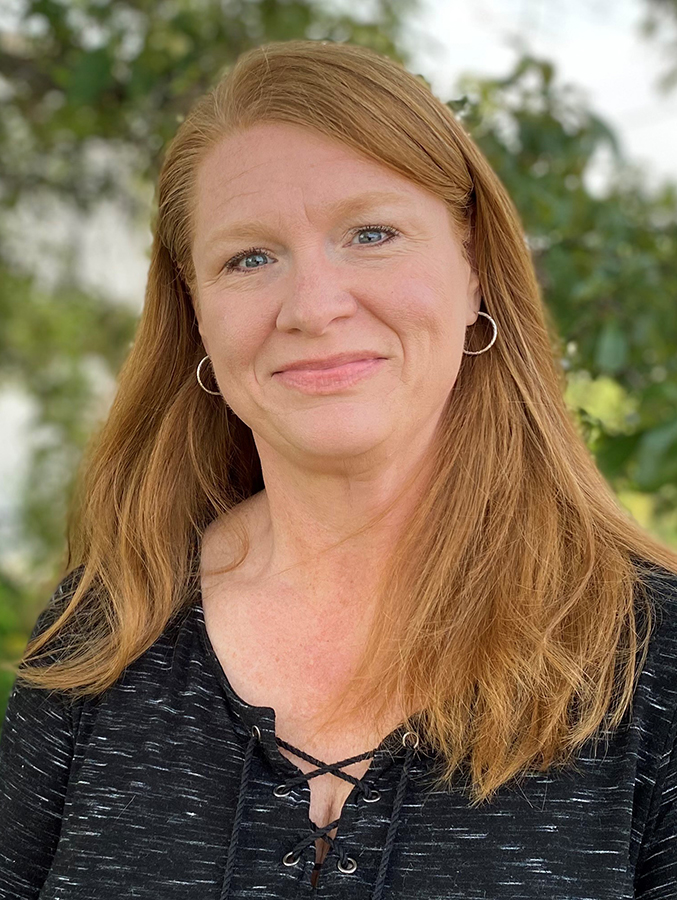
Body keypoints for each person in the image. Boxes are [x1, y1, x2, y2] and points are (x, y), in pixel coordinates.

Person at [1, 38, 676, 900]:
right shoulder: (107, 632)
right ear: (196, 311)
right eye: (249, 257)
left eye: (371, 233)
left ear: (475, 271)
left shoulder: (649, 664)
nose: (314, 307)